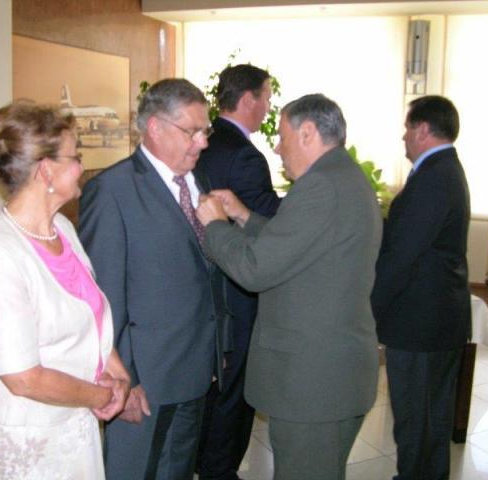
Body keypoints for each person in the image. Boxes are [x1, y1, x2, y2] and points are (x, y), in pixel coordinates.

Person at [196, 93, 382, 480]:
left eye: (282, 137)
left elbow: (255, 269)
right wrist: (244, 216)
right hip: (331, 374)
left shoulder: (320, 187)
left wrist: (214, 226)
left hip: (314, 384)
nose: (278, 149)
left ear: (308, 133)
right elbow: (298, 245)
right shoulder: (341, 177)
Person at [0, 102, 130, 480]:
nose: (81, 167)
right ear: (45, 170)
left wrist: (117, 374)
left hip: (72, 417)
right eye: (75, 157)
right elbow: (23, 378)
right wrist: (101, 396)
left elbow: (89, 313)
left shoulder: (61, 229)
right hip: (27, 433)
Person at [78, 78, 229, 480]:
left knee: (177, 470)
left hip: (195, 368)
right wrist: (122, 380)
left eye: (205, 131)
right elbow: (102, 298)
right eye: (192, 131)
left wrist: (216, 347)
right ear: (155, 128)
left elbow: (205, 274)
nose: (202, 143)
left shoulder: (199, 181)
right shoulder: (111, 190)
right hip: (144, 380)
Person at [371, 95, 471, 480]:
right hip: (435, 320)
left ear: (423, 129)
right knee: (431, 420)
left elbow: (402, 256)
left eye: (408, 127)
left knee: (417, 423)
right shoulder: (442, 170)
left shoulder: (434, 178)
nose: (403, 136)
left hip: (421, 325)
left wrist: (368, 309)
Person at [196, 64, 281, 480]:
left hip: (203, 287)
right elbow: (268, 220)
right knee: (234, 393)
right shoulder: (245, 155)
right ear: (248, 99)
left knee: (211, 389)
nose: (268, 107)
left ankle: (202, 463)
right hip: (237, 292)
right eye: (266, 98)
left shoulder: (202, 143)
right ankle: (221, 470)